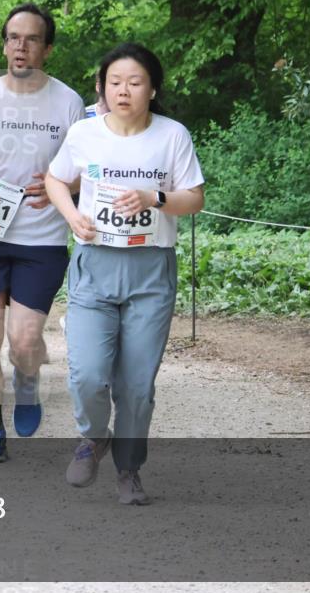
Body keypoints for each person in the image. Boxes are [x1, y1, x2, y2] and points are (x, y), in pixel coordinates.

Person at [46, 43, 205, 504]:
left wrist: (155, 198)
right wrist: (72, 215)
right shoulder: (83, 134)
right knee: (88, 375)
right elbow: (56, 179)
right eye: (115, 82)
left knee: (137, 385)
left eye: (135, 83)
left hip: (151, 270)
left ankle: (129, 470)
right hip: (95, 265)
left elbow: (193, 199)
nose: (124, 90)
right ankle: (93, 437)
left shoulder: (172, 135)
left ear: (152, 89)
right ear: (101, 87)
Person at [0, 3, 85, 462]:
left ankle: (28, 378)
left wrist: (63, 188)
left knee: (25, 342)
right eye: (13, 37)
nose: (20, 46)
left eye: (30, 39)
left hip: (41, 240)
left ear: (47, 48)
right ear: (4, 43)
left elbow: (85, 172)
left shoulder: (68, 102)